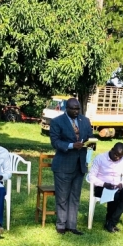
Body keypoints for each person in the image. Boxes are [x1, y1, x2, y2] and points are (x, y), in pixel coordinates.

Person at [49, 97, 92, 235]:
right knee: (62, 197)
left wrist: (91, 144)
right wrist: (72, 145)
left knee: (75, 196)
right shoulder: (57, 122)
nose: (76, 111)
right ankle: (61, 224)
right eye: (73, 109)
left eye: (78, 108)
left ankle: (72, 225)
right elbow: (55, 142)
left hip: (80, 164)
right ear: (66, 108)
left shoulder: (85, 121)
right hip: (63, 165)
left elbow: (90, 137)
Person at [88, 142, 123, 233]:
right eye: (116, 155)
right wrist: (104, 184)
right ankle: (110, 223)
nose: (117, 158)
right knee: (115, 196)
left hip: (117, 186)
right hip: (101, 187)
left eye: (120, 156)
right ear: (112, 149)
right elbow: (91, 176)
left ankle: (111, 222)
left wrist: (122, 184)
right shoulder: (100, 158)